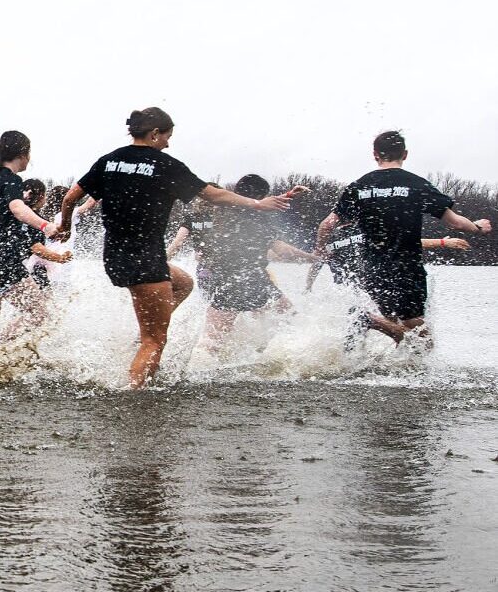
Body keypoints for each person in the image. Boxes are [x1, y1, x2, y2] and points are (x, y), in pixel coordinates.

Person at [55, 107, 303, 389]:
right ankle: (134, 395)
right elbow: (214, 195)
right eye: (167, 137)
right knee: (156, 342)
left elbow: (71, 197)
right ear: (155, 133)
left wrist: (64, 226)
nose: (168, 143)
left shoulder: (109, 161)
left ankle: (144, 337)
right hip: (146, 260)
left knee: (184, 283)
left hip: (114, 257)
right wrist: (257, 203)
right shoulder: (164, 165)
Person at [313, 130, 490, 345]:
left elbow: (326, 224)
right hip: (406, 267)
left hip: (371, 269)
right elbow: (455, 222)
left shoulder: (359, 186)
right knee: (423, 340)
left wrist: (321, 250)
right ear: (404, 154)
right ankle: (368, 320)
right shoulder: (415, 184)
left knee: (400, 331)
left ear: (376, 154)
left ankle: (385, 346)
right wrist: (478, 228)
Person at [174, 174, 321, 353]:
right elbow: (285, 252)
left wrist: (288, 194)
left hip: (221, 278)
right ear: (262, 196)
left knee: (211, 343)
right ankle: (269, 354)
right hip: (252, 279)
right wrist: (314, 258)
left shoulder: (220, 210)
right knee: (291, 317)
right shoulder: (259, 219)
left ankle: (194, 366)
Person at [0, 132, 67, 338]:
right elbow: (18, 209)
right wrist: (46, 226)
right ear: (24, 154)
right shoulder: (12, 180)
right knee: (39, 312)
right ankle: (0, 349)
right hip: (0, 259)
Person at [20, 179, 73, 302]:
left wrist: (58, 235)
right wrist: (59, 258)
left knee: (32, 312)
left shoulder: (18, 215)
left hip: (22, 267)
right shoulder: (33, 218)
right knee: (43, 312)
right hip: (31, 270)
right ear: (42, 196)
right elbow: (35, 247)